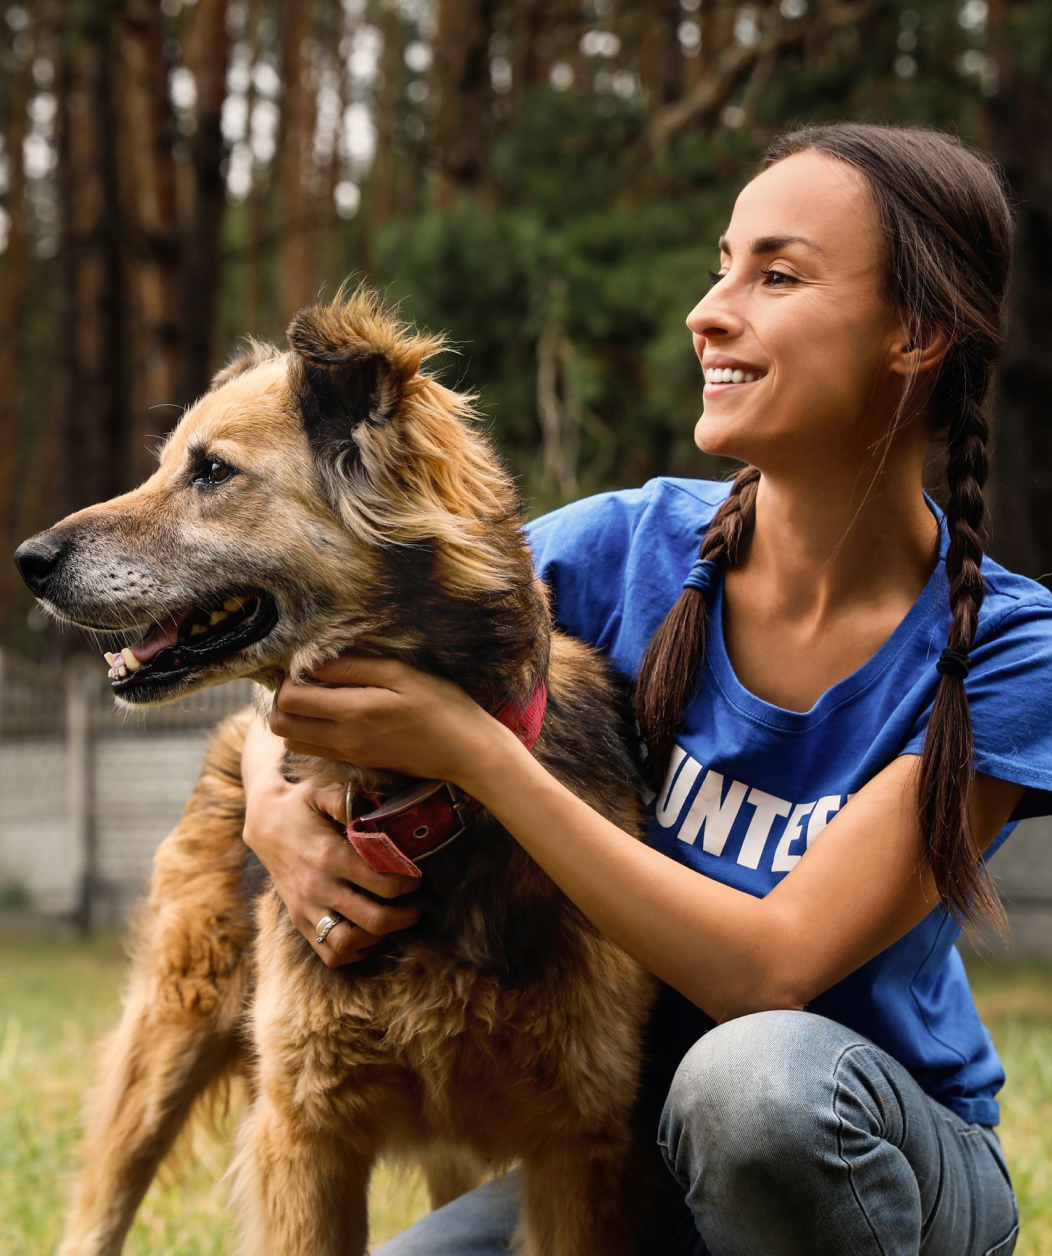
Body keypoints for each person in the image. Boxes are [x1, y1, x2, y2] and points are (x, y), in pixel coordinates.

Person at [239, 122, 1049, 1255]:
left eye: (775, 275)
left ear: (912, 334)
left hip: (875, 1162)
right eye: (721, 265)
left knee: (752, 1085)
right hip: (635, 1155)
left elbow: (771, 970)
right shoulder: (616, 549)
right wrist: (271, 804)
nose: (707, 311)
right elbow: (359, 638)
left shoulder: (1004, 649)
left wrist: (481, 754)